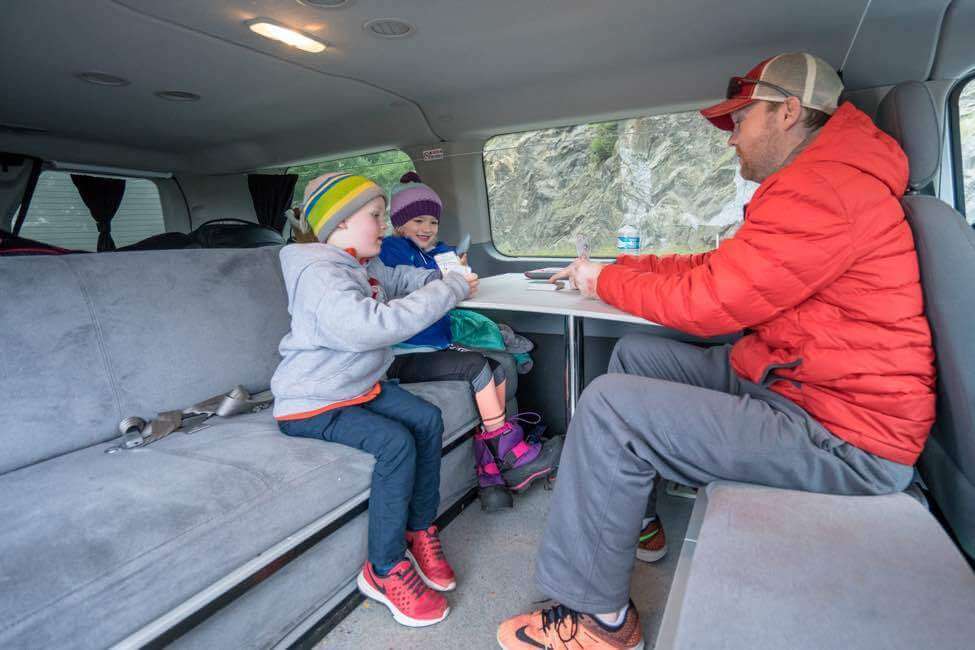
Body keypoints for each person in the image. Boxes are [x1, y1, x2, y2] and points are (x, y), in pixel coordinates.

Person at [497, 52, 936, 649]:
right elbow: (717, 267)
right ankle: (632, 523)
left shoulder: (825, 190)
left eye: (741, 120)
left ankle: (596, 620)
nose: (731, 139)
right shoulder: (825, 178)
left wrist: (602, 283)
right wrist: (618, 267)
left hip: (842, 436)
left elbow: (711, 300)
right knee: (636, 356)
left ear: (787, 112)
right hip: (799, 386)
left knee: (608, 406)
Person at [271, 172, 478, 628]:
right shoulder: (321, 275)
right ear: (341, 223)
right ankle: (383, 569)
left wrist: (446, 275)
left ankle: (420, 529)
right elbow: (374, 326)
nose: (383, 226)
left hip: (355, 388)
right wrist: (450, 290)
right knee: (395, 443)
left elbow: (399, 277)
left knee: (425, 418)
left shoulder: (358, 262)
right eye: (376, 217)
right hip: (313, 400)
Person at [380, 172, 563, 512]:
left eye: (433, 221)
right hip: (402, 354)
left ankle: (489, 474)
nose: (427, 227)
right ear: (399, 224)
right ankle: (512, 454)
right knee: (477, 366)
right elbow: (404, 281)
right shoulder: (391, 251)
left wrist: (457, 266)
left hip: (435, 347)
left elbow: (454, 274)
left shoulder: (439, 252)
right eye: (417, 220)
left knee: (497, 366)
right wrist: (440, 273)